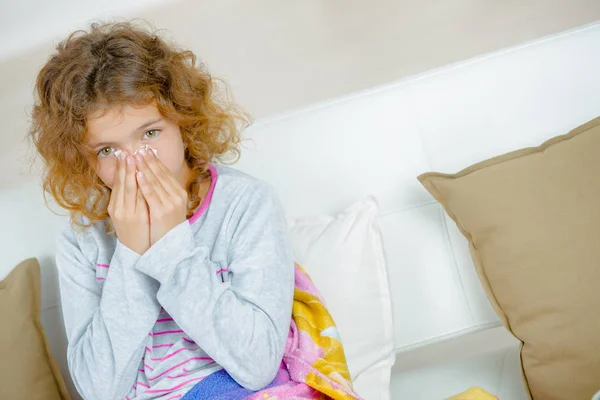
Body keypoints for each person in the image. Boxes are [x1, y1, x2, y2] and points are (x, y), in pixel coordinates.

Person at [29, 20, 295, 400]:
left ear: (184, 123)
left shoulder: (245, 204)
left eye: (150, 133)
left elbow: (258, 364)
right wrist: (132, 251)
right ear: (82, 160)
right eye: (107, 150)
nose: (134, 162)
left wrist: (170, 245)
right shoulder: (81, 243)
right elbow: (98, 391)